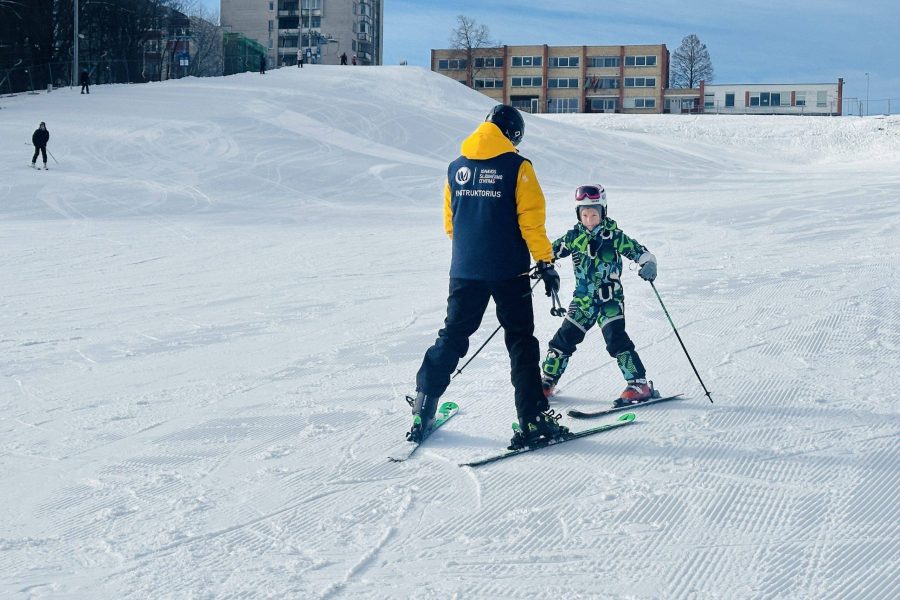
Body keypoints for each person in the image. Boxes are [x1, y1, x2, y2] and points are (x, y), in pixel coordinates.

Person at [409, 104, 569, 450]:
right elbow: (531, 222)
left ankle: (423, 404)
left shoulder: (457, 168)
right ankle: (533, 419)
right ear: (512, 135)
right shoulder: (518, 167)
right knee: (521, 341)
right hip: (509, 271)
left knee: (453, 335)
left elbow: (451, 224)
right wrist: (545, 261)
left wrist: (475, 253)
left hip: (464, 270)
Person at [540, 184, 658, 407]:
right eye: (584, 214)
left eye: (594, 214)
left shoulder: (614, 236)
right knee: (562, 340)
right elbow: (547, 251)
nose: (589, 218)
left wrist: (648, 264)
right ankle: (547, 381)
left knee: (616, 340)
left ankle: (638, 384)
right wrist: (543, 265)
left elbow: (640, 252)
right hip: (583, 301)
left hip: (609, 301)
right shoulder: (573, 237)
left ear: (603, 212)